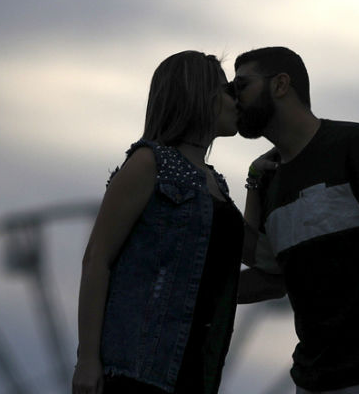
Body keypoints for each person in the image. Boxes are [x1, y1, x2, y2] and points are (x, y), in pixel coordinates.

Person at [234, 47, 359, 394]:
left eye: (241, 86)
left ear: (281, 85)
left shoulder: (354, 145)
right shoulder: (268, 180)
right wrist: (253, 183)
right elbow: (271, 277)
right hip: (314, 380)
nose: (233, 98)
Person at [72, 50, 243, 394]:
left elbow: (226, 277)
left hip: (193, 370)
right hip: (139, 367)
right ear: (201, 95)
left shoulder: (217, 185)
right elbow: (97, 259)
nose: (235, 101)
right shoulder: (149, 163)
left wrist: (258, 180)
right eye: (227, 91)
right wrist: (88, 359)